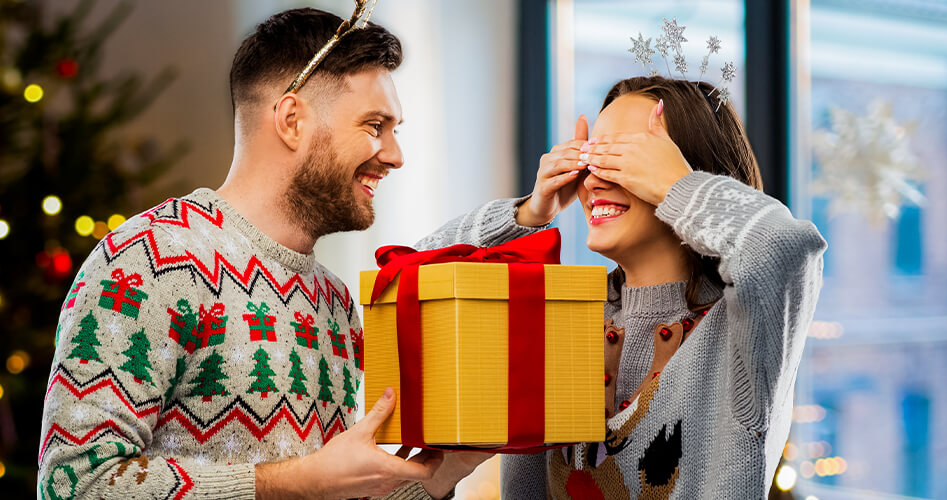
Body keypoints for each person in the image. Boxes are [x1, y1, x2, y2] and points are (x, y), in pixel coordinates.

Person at [37, 8, 567, 499]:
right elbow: (74, 484)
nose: (395, 155)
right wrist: (298, 481)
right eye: (374, 126)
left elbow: (323, 492)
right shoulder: (145, 261)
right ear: (292, 120)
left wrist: (445, 470)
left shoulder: (334, 302)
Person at [501, 76, 827, 498]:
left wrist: (677, 185)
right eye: (590, 159)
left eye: (625, 157)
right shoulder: (563, 319)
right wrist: (529, 212)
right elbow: (419, 273)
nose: (593, 181)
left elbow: (784, 246)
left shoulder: (740, 332)